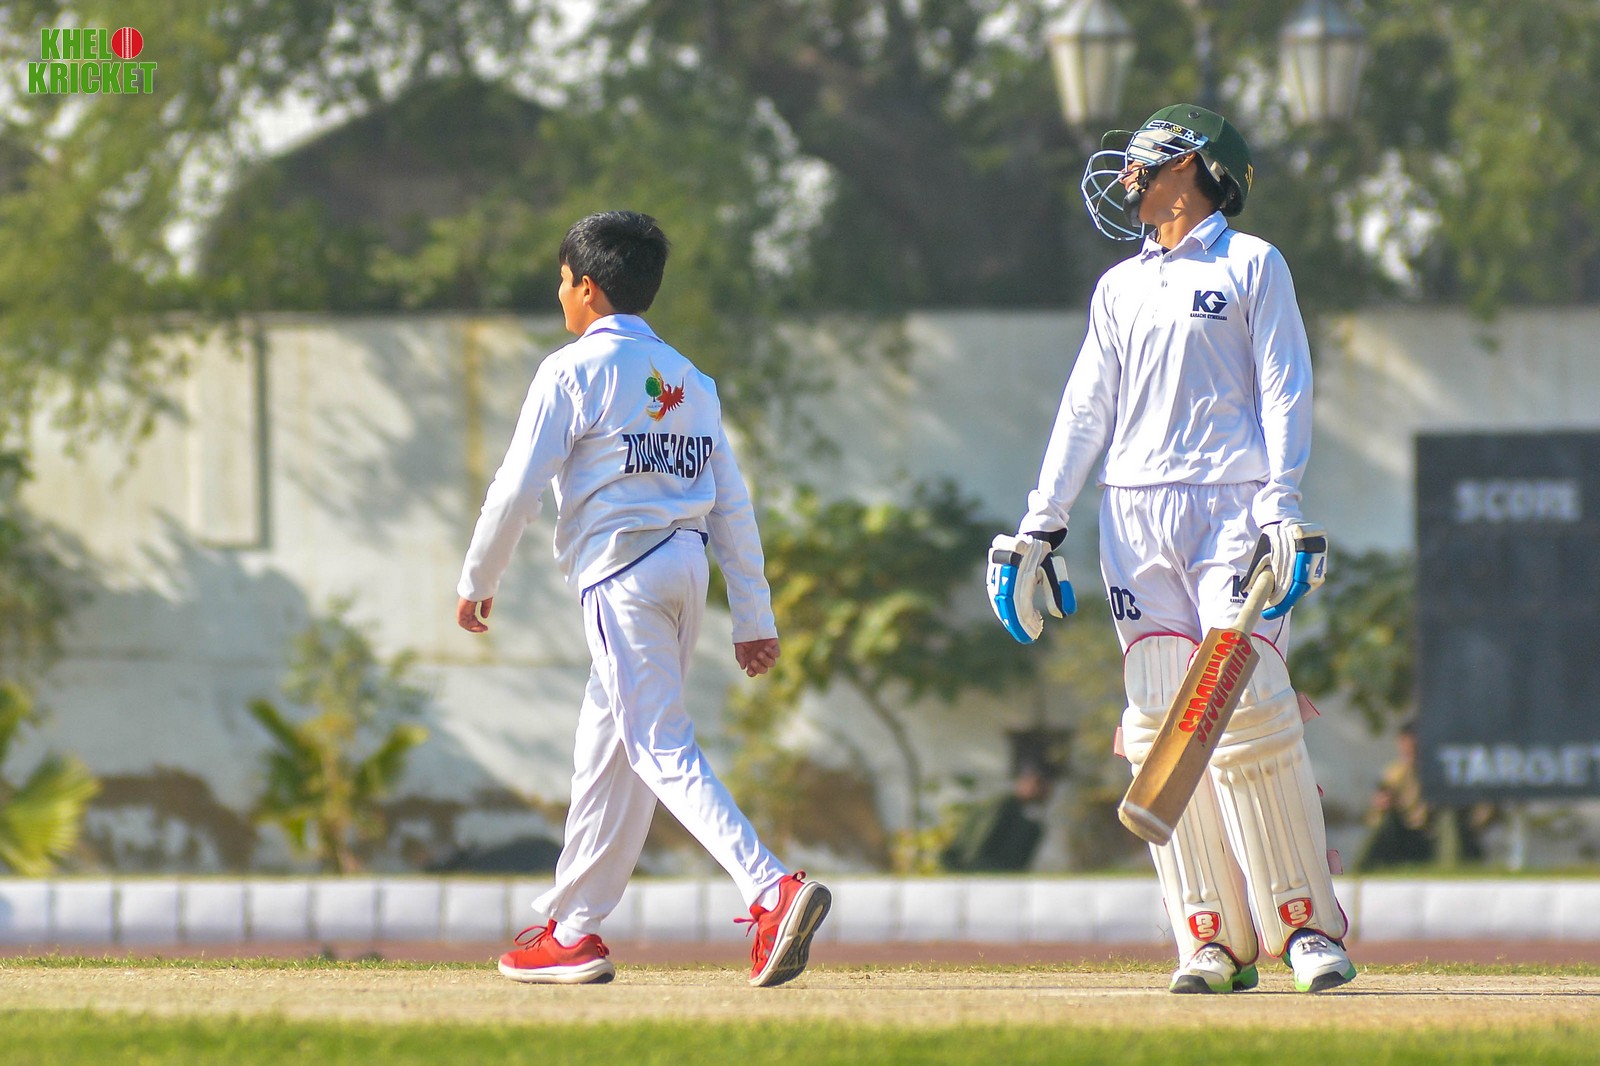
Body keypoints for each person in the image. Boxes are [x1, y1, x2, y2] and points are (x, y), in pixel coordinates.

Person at [986, 104, 1356, 994]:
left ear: (1189, 165)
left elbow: (1285, 384)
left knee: (1247, 708)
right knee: (1158, 714)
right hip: (1133, 512)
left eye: (1142, 158)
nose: (1125, 173)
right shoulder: (1119, 286)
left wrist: (1281, 504)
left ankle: (1304, 928)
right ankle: (1209, 938)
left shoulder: (1252, 263)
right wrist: (1042, 521)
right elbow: (1087, 406)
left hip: (1232, 503)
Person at [455, 210, 830, 987]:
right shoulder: (692, 379)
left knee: (656, 746)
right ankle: (571, 932)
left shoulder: (571, 371)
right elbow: (732, 505)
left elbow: (518, 487)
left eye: (564, 281)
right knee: (607, 752)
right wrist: (753, 615)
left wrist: (477, 581)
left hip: (621, 575)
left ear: (588, 288)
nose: (561, 294)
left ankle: (772, 889)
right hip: (685, 569)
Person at [1356, 721, 1493, 871]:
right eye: (1406, 749)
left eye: (1415, 748)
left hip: (1445, 839)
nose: (1410, 753)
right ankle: (1360, 869)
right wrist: (1379, 808)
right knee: (1386, 821)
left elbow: (1484, 812)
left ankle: (1451, 868)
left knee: (1448, 815)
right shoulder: (1395, 775)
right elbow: (1372, 819)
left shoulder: (1449, 773)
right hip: (1410, 841)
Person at [940, 761, 1055, 873]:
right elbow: (978, 842)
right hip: (979, 871)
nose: (1042, 790)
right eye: (1037, 783)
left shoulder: (1031, 820)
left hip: (992, 874)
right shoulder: (1000, 806)